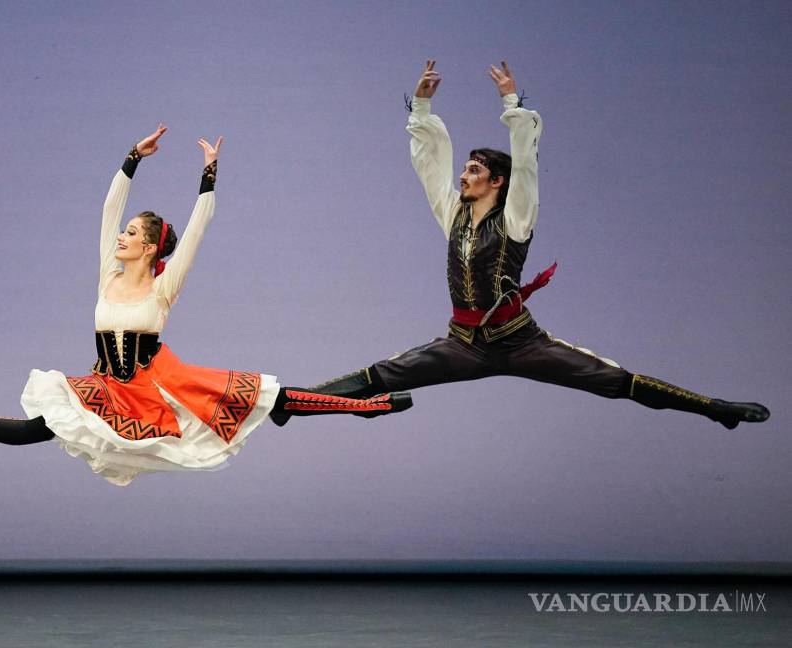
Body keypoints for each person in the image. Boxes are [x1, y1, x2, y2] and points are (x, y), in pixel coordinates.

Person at [0, 125, 411, 485]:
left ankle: (363, 405)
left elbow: (197, 232)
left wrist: (209, 174)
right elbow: (107, 210)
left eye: (132, 234)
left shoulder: (164, 288)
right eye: (124, 232)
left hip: (159, 381)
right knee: (42, 428)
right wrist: (132, 159)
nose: (121, 237)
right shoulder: (107, 274)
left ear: (149, 247)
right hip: (106, 384)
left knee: (263, 396)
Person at [310, 60, 769, 430]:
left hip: (520, 342)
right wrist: (423, 111)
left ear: (496, 181)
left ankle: (715, 408)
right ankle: (294, 403)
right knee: (382, 375)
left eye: (473, 170)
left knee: (611, 379)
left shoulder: (515, 218)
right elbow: (428, 167)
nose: (463, 176)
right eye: (465, 168)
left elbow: (526, 162)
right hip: (463, 343)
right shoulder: (453, 215)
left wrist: (511, 101)